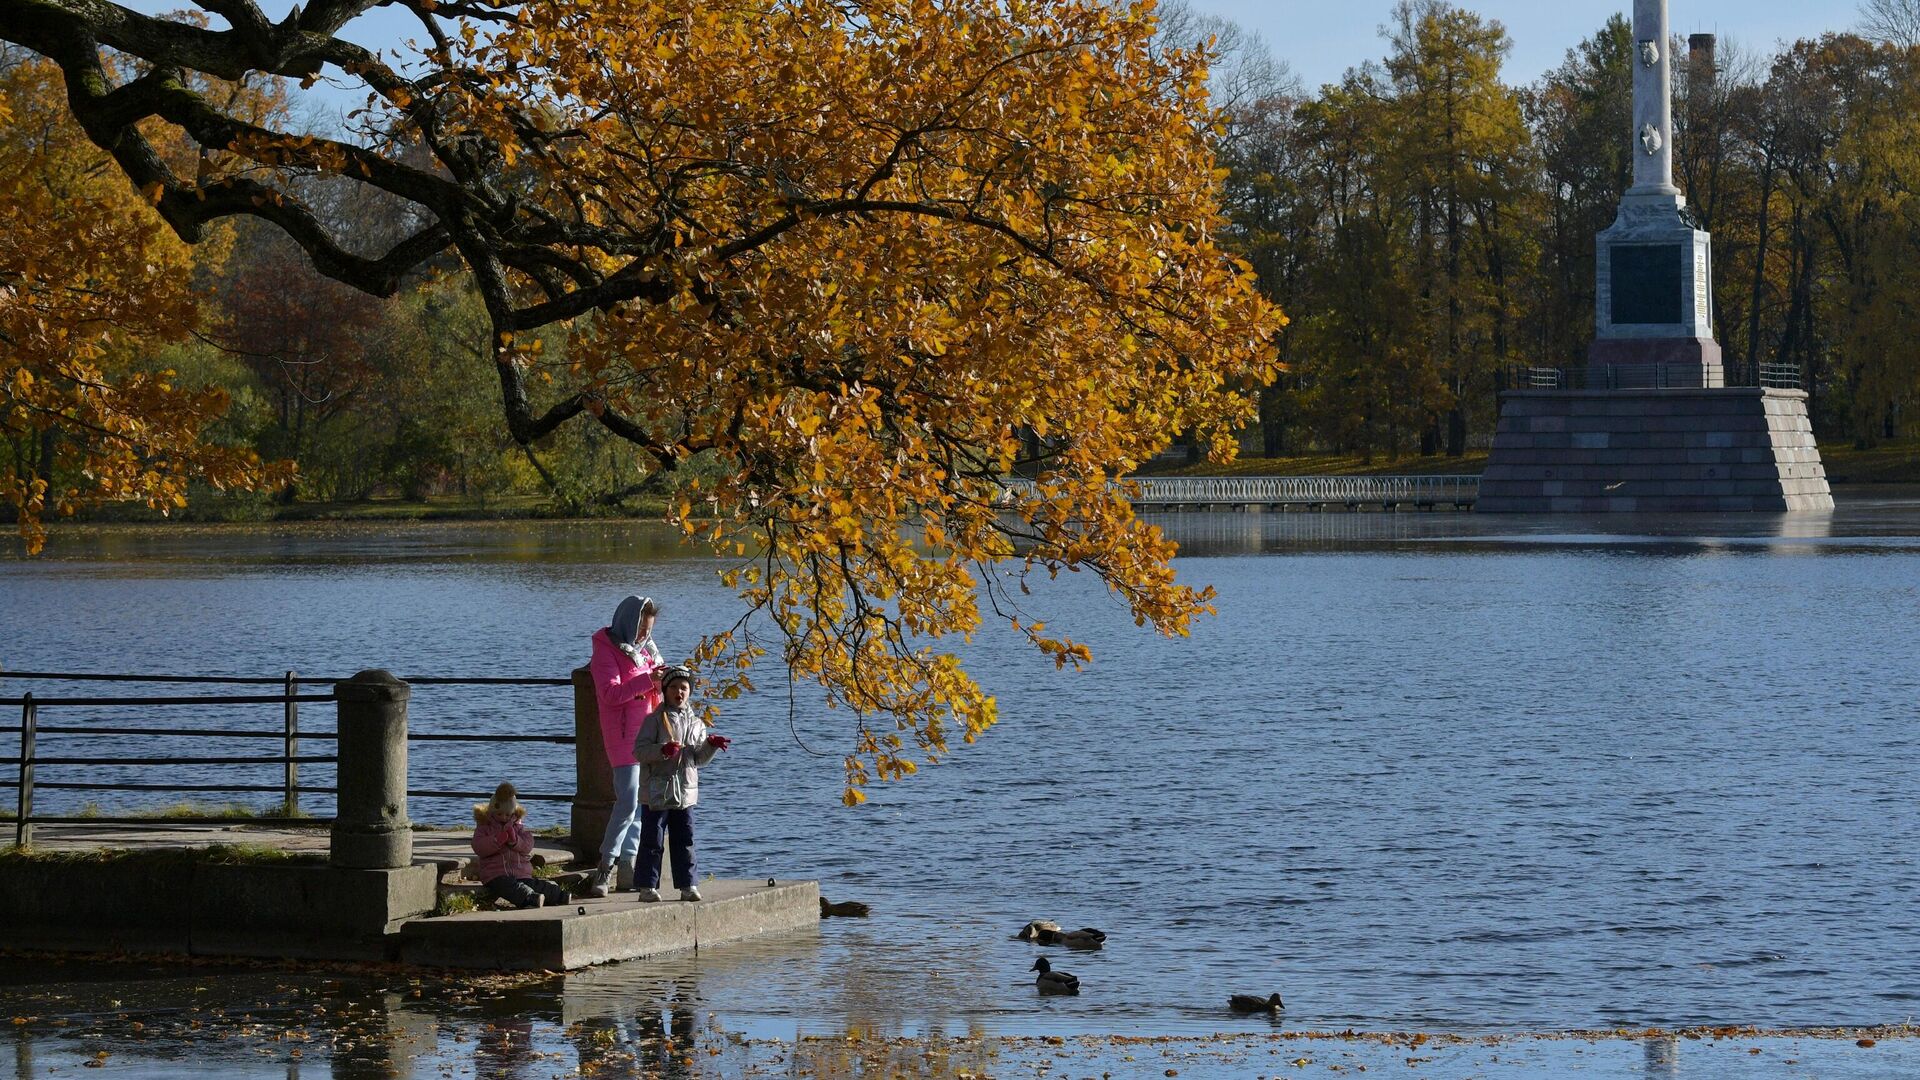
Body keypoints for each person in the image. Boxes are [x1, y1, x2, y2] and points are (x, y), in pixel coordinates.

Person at [586, 594, 665, 898]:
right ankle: (605, 866)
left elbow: (652, 681)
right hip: (622, 738)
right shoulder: (606, 651)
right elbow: (610, 694)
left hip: (649, 736)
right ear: (628, 625)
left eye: (649, 630)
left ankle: (628, 867)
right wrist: (648, 681)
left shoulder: (647, 653)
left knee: (643, 803)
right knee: (627, 802)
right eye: (641, 630)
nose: (645, 636)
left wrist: (663, 678)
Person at [631, 664, 731, 901]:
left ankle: (688, 886)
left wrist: (711, 746)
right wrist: (663, 750)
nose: (679, 692)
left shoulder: (697, 723)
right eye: (674, 687)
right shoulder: (654, 720)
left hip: (685, 792)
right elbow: (639, 752)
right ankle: (647, 886)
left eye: (684, 688)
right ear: (664, 690)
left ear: (690, 691)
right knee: (652, 839)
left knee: (684, 839)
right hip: (655, 792)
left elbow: (698, 759)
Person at [471, 782, 567, 909]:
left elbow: (527, 846)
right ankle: (529, 898)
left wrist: (516, 841)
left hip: (519, 871)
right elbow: (479, 847)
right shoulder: (485, 828)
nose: (503, 818)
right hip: (494, 873)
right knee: (510, 887)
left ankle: (557, 895)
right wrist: (496, 841)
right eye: (499, 814)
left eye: (507, 814)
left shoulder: (518, 827)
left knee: (534, 883)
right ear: (492, 811)